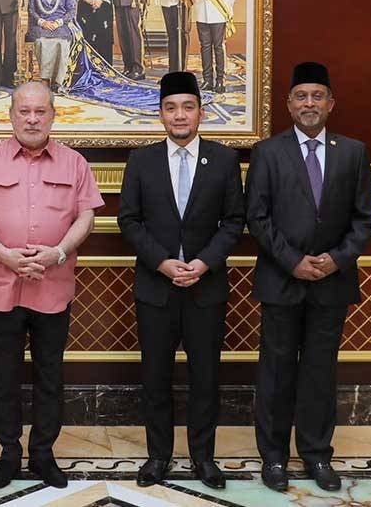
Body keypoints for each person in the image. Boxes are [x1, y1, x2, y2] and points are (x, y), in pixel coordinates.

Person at [0, 82, 104, 490]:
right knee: (5, 374)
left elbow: (86, 218)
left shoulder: (74, 163)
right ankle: (8, 453)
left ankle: (43, 454)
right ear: (11, 115)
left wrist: (56, 253)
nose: (32, 119)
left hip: (53, 284)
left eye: (40, 112)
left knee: (50, 374)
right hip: (2, 284)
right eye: (24, 112)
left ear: (54, 115)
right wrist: (4, 254)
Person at [245, 62, 371, 493]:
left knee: (320, 371)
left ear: (330, 103)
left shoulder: (353, 152)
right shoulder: (268, 152)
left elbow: (364, 219)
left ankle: (318, 455)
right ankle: (275, 458)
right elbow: (257, 217)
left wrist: (336, 260)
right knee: (277, 371)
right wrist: (293, 261)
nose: (309, 104)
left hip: (332, 282)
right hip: (283, 279)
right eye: (301, 97)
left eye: (317, 96)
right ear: (288, 104)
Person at [118, 72, 243, 490]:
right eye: (171, 108)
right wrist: (163, 263)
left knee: (205, 377)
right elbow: (129, 221)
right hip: (157, 287)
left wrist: (205, 263)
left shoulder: (224, 160)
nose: (179, 115)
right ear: (160, 115)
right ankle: (158, 457)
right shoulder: (142, 160)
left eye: (187, 106)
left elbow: (234, 222)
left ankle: (203, 459)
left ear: (200, 113)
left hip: (206, 288)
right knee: (156, 377)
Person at [28, 0, 77, 91]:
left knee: (61, 41)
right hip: (41, 24)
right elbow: (31, 9)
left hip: (61, 23)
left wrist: (59, 22)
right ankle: (44, 78)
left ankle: (58, 80)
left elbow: (71, 9)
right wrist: (43, 22)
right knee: (42, 41)